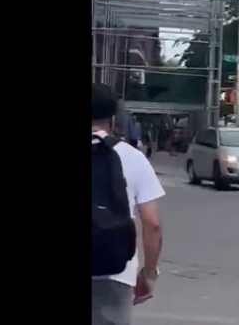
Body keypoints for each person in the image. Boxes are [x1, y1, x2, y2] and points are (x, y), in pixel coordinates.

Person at [92, 84, 165, 325]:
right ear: (113, 119)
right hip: (115, 272)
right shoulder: (133, 157)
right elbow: (152, 224)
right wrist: (149, 273)